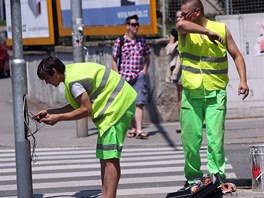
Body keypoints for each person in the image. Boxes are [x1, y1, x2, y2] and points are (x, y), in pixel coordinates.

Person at [33, 56, 137, 198]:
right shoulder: (70, 74)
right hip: (114, 109)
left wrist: (58, 118)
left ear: (54, 71)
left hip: (118, 107)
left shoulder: (73, 82)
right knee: (104, 157)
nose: (47, 82)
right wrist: (50, 112)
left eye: (47, 78)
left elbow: (85, 110)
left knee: (110, 159)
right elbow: (75, 105)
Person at [176, 0, 249, 188]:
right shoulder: (184, 30)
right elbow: (181, 25)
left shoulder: (221, 28)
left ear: (197, 12)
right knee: (191, 141)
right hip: (191, 95)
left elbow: (237, 55)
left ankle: (217, 176)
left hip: (215, 93)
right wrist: (207, 32)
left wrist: (243, 80)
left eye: (185, 13)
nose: (181, 17)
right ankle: (192, 177)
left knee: (215, 140)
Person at [112, 14, 151, 139]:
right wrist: (117, 74)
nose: (136, 27)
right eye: (133, 24)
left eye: (137, 24)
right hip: (124, 76)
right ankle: (133, 127)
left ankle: (139, 130)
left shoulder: (142, 42)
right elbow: (114, 59)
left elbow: (147, 58)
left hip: (138, 76)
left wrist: (144, 71)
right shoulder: (120, 41)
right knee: (128, 104)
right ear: (127, 26)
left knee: (139, 102)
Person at [166, 10, 184, 133]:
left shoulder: (192, 29)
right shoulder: (174, 31)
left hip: (192, 64)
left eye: (181, 16)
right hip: (180, 67)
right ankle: (182, 123)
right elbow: (169, 49)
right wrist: (178, 43)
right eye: (177, 17)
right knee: (181, 96)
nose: (179, 18)